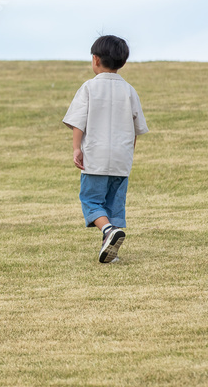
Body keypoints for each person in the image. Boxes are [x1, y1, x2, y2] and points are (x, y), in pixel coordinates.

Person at [62, 35, 148, 263]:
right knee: (115, 205)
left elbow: (78, 121)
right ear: (122, 62)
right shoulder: (129, 90)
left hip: (95, 159)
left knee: (91, 201)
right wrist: (129, 154)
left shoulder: (89, 87)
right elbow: (136, 128)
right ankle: (111, 251)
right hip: (121, 161)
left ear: (95, 59)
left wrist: (76, 149)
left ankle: (108, 231)